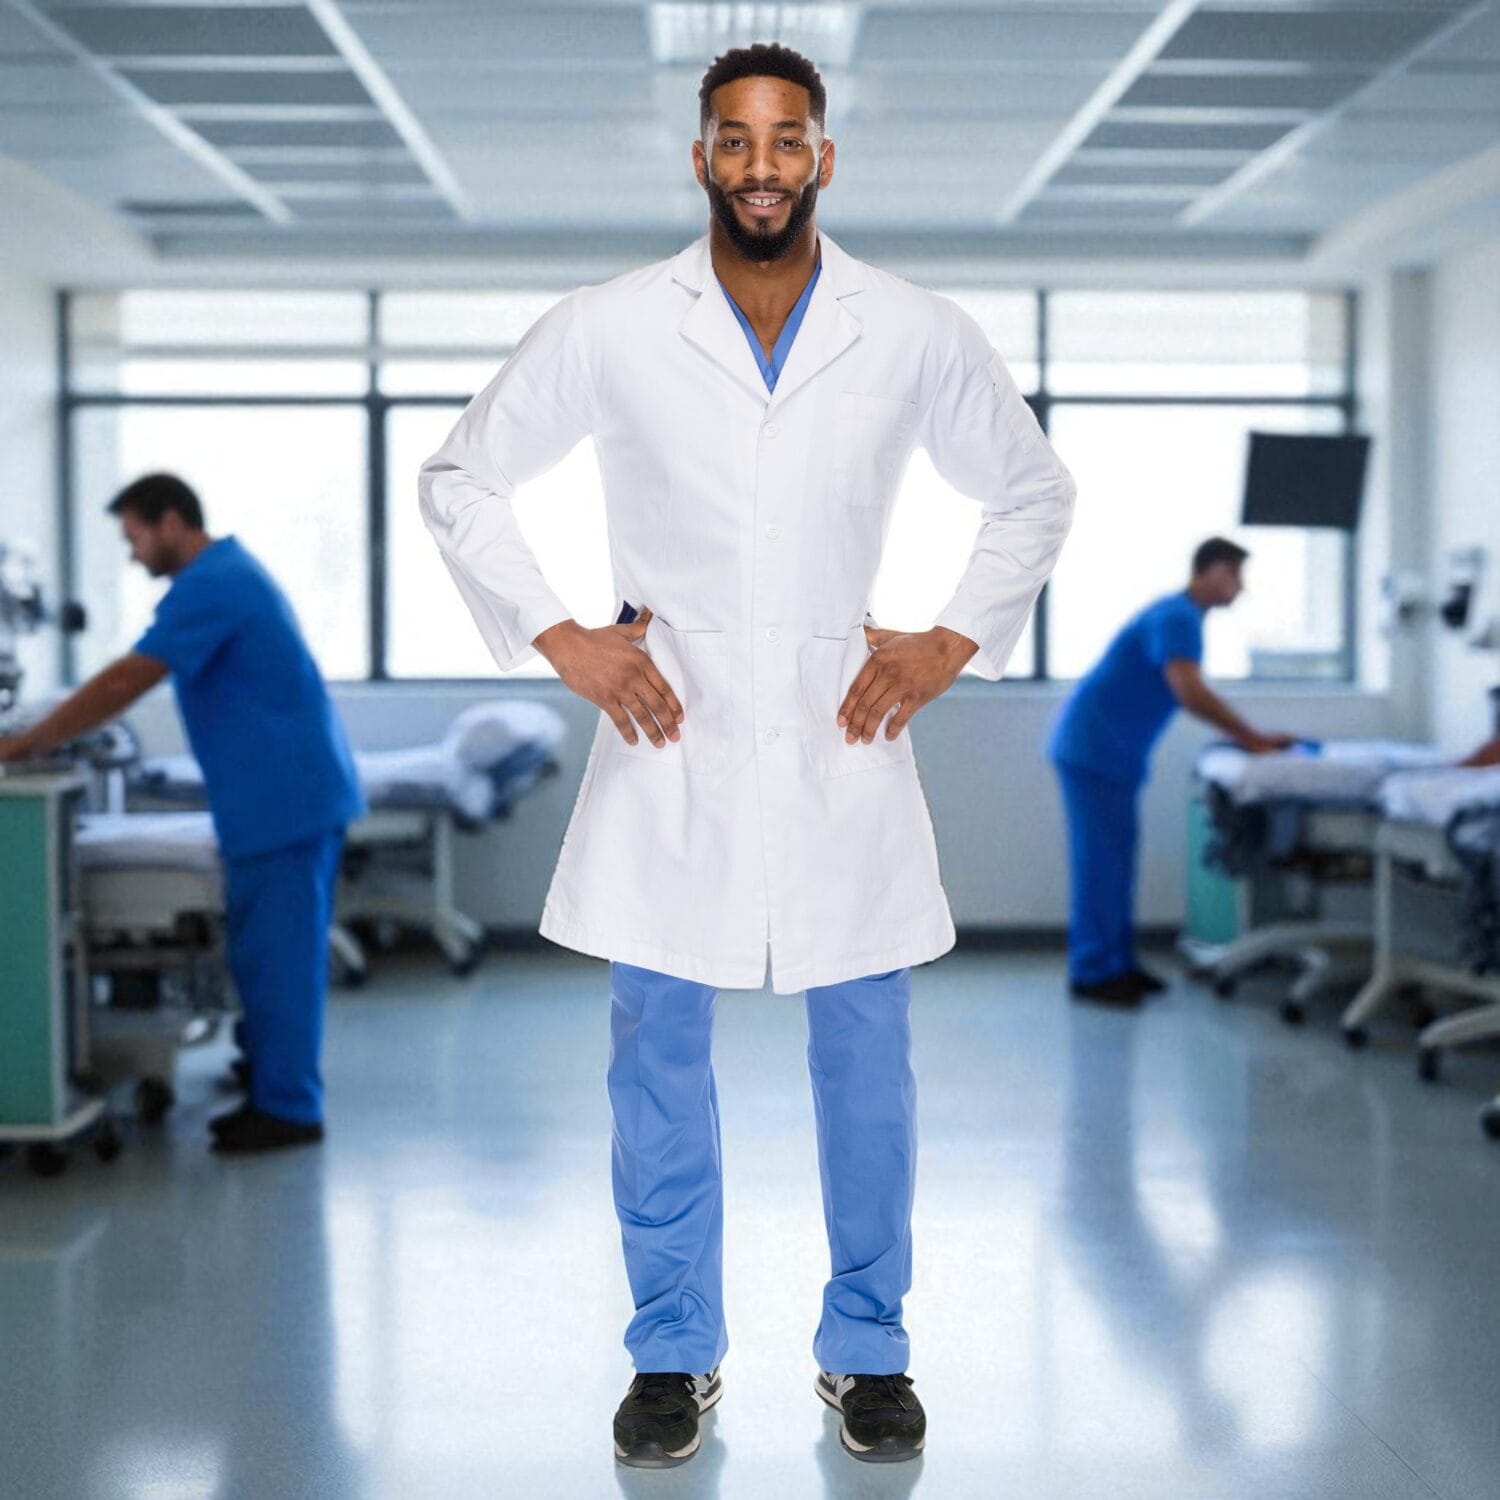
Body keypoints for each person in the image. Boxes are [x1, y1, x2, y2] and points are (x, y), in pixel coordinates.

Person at [418, 43, 1076, 1470]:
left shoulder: (910, 329)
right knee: (657, 1059)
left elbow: (1029, 491)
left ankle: (869, 1350)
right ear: (702, 158)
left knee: (868, 1064)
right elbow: (460, 477)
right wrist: (561, 638)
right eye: (735, 139)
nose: (762, 163)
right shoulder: (607, 325)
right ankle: (671, 1353)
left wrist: (950, 640)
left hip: (846, 734)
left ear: (825, 157)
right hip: (675, 730)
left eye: (788, 139)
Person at [0, 473, 364, 1152]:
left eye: (135, 536)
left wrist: (27, 741)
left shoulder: (212, 583)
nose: (133, 554)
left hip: (283, 801)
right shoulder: (223, 574)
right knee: (270, 955)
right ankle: (271, 1079)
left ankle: (288, 1110)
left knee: (278, 960)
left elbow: (127, 678)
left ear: (171, 521)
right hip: (282, 796)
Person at [1048, 537, 1296, 1007]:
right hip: (1093, 751)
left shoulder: (1181, 617)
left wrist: (1246, 736)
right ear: (1213, 571)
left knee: (1117, 862)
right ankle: (1094, 972)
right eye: (1236, 575)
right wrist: (1252, 739)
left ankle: (1118, 962)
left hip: (1109, 755)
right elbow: (1189, 691)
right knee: (1101, 864)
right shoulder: (1179, 617)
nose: (1240, 588)